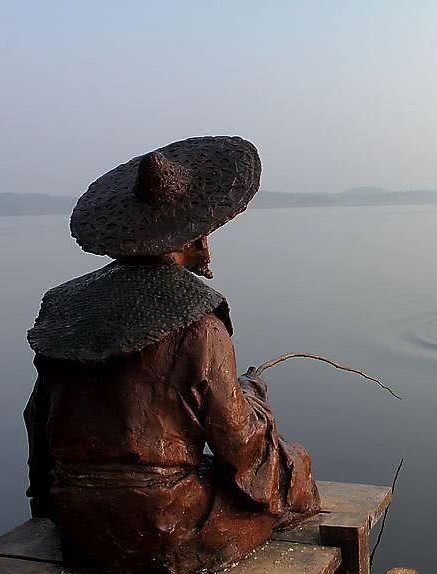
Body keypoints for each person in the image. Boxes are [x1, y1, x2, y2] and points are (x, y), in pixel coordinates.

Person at [24, 136, 319, 574]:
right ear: (193, 237)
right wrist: (268, 426)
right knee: (297, 469)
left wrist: (49, 505)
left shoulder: (64, 306)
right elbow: (240, 445)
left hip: (79, 523)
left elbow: (37, 418)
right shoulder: (199, 324)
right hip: (165, 528)